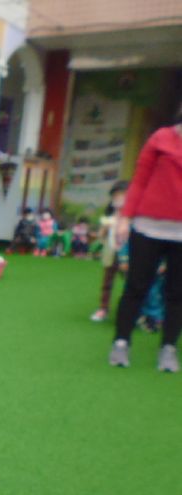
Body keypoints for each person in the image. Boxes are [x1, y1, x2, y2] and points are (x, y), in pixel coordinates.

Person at [109, 104, 182, 373]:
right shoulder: (161, 138)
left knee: (177, 293)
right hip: (147, 228)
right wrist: (125, 219)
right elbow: (139, 180)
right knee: (136, 288)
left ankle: (168, 348)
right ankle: (121, 343)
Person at [90, 181, 130, 321]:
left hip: (129, 255)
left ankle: (131, 311)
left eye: (122, 195)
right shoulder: (109, 216)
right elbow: (100, 235)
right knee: (107, 282)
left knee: (131, 283)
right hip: (111, 252)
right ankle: (103, 308)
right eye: (116, 196)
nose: (119, 199)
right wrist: (105, 228)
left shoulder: (134, 217)